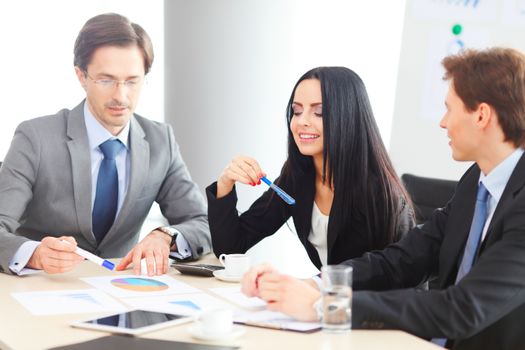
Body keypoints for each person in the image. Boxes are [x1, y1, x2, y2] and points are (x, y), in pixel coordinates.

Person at [242, 47, 525, 349]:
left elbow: (462, 308)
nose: (443, 122)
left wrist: (325, 306)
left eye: (449, 109)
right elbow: (401, 260)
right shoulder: (476, 181)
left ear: (481, 115)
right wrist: (314, 284)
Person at [0, 13, 211, 276]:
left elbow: (201, 222)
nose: (120, 96)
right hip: (42, 289)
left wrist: (165, 235)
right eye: (106, 80)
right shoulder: (35, 138)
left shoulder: (160, 141)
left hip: (120, 292)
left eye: (132, 81)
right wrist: (34, 254)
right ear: (81, 76)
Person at [206, 67, 414, 268]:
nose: (302, 121)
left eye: (320, 112)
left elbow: (404, 281)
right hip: (325, 299)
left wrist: (312, 289)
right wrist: (225, 183)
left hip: (365, 303)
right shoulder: (298, 175)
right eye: (296, 111)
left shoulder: (381, 194)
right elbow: (230, 247)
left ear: (348, 117)